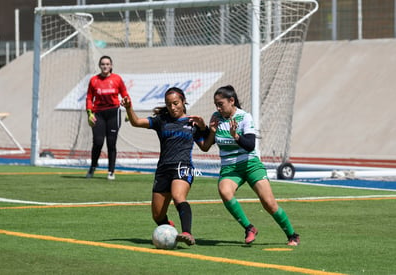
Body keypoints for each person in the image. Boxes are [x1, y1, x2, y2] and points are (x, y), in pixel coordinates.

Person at [201, 85, 300, 246]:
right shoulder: (216, 117)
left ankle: (292, 235)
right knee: (224, 191)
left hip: (250, 164)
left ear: (231, 101)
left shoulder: (244, 117)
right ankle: (249, 228)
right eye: (216, 104)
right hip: (230, 168)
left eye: (220, 104)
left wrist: (235, 136)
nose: (218, 108)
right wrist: (211, 130)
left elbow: (250, 145)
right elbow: (205, 146)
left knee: (268, 203)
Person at [121, 87, 209, 246]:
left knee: (178, 197)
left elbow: (206, 146)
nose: (173, 107)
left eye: (175, 103)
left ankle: (187, 233)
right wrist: (128, 108)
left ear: (183, 101)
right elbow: (136, 122)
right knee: (157, 215)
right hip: (163, 169)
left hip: (182, 166)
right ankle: (169, 230)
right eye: (169, 104)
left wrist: (204, 127)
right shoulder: (161, 121)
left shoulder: (192, 122)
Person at [85, 55, 130, 180]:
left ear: (111, 66)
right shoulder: (94, 80)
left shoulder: (117, 79)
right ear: (100, 66)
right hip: (98, 113)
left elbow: (125, 94)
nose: (105, 66)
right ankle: (93, 166)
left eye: (107, 64)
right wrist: (89, 113)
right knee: (98, 142)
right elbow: (89, 97)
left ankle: (111, 171)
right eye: (103, 64)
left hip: (113, 113)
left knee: (111, 143)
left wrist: (128, 110)